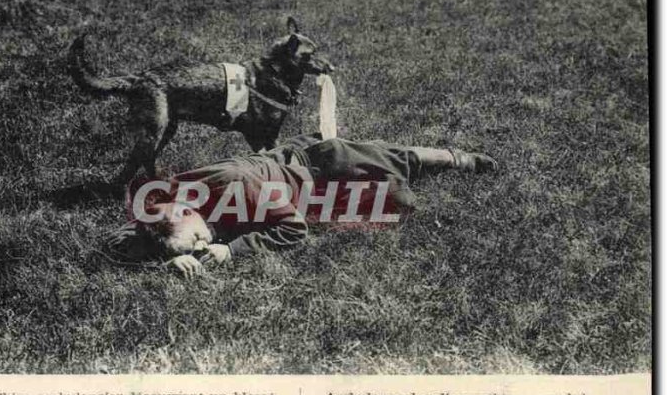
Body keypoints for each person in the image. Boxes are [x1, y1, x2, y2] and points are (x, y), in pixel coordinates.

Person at [104, 134, 497, 277]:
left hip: (317, 174)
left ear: (188, 212)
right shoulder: (166, 203)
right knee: (395, 197)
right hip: (294, 180)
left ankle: (455, 157)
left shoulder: (236, 189)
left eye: (198, 242)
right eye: (197, 250)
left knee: (391, 176)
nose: (203, 248)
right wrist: (171, 258)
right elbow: (125, 238)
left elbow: (294, 228)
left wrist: (234, 248)